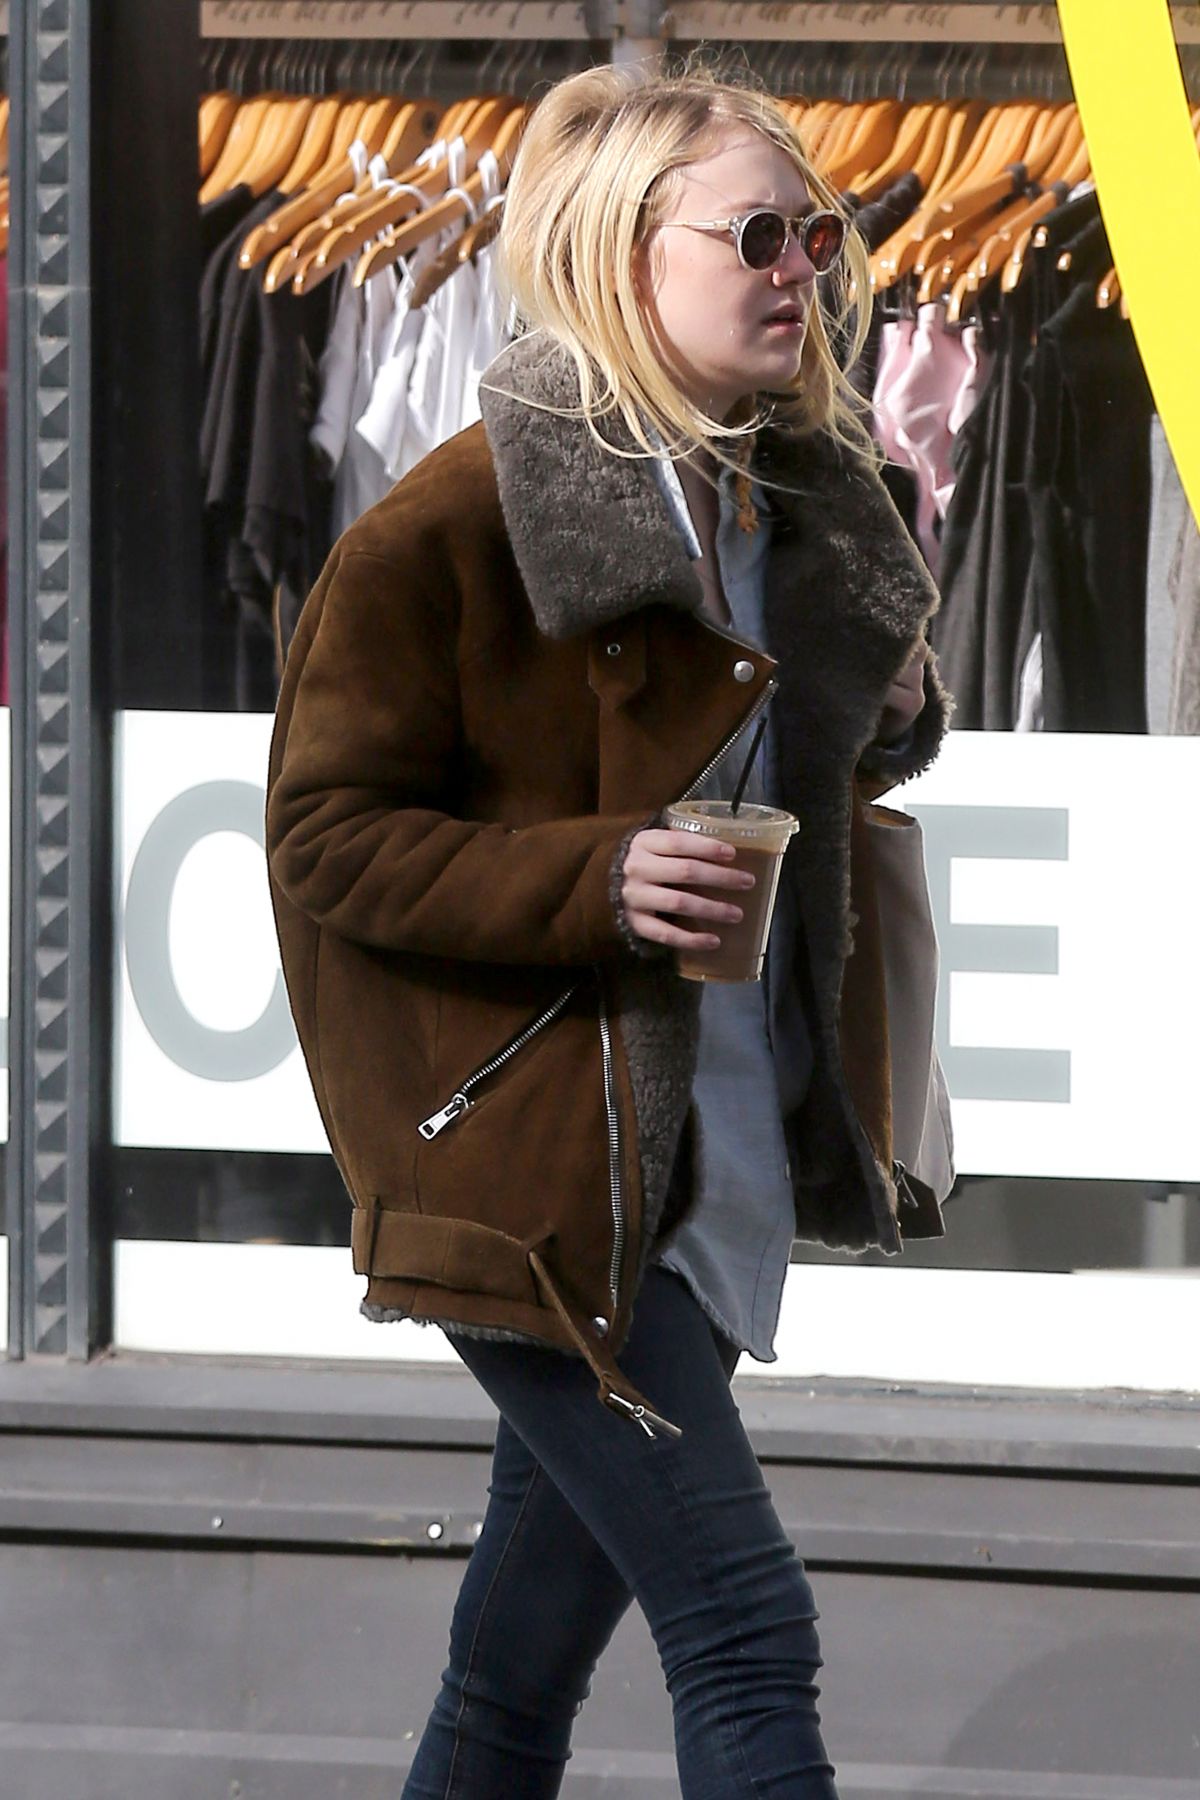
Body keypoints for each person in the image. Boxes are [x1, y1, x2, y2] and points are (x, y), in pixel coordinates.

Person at [266, 60, 952, 1800]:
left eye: (822, 236)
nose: (802, 270)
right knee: (746, 1630)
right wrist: (603, 877)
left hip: (707, 1157)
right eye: (759, 236)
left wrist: (872, 700)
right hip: (538, 1175)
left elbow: (811, 768)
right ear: (615, 249)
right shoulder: (452, 529)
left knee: (513, 1678)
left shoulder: (790, 498)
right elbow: (326, 836)